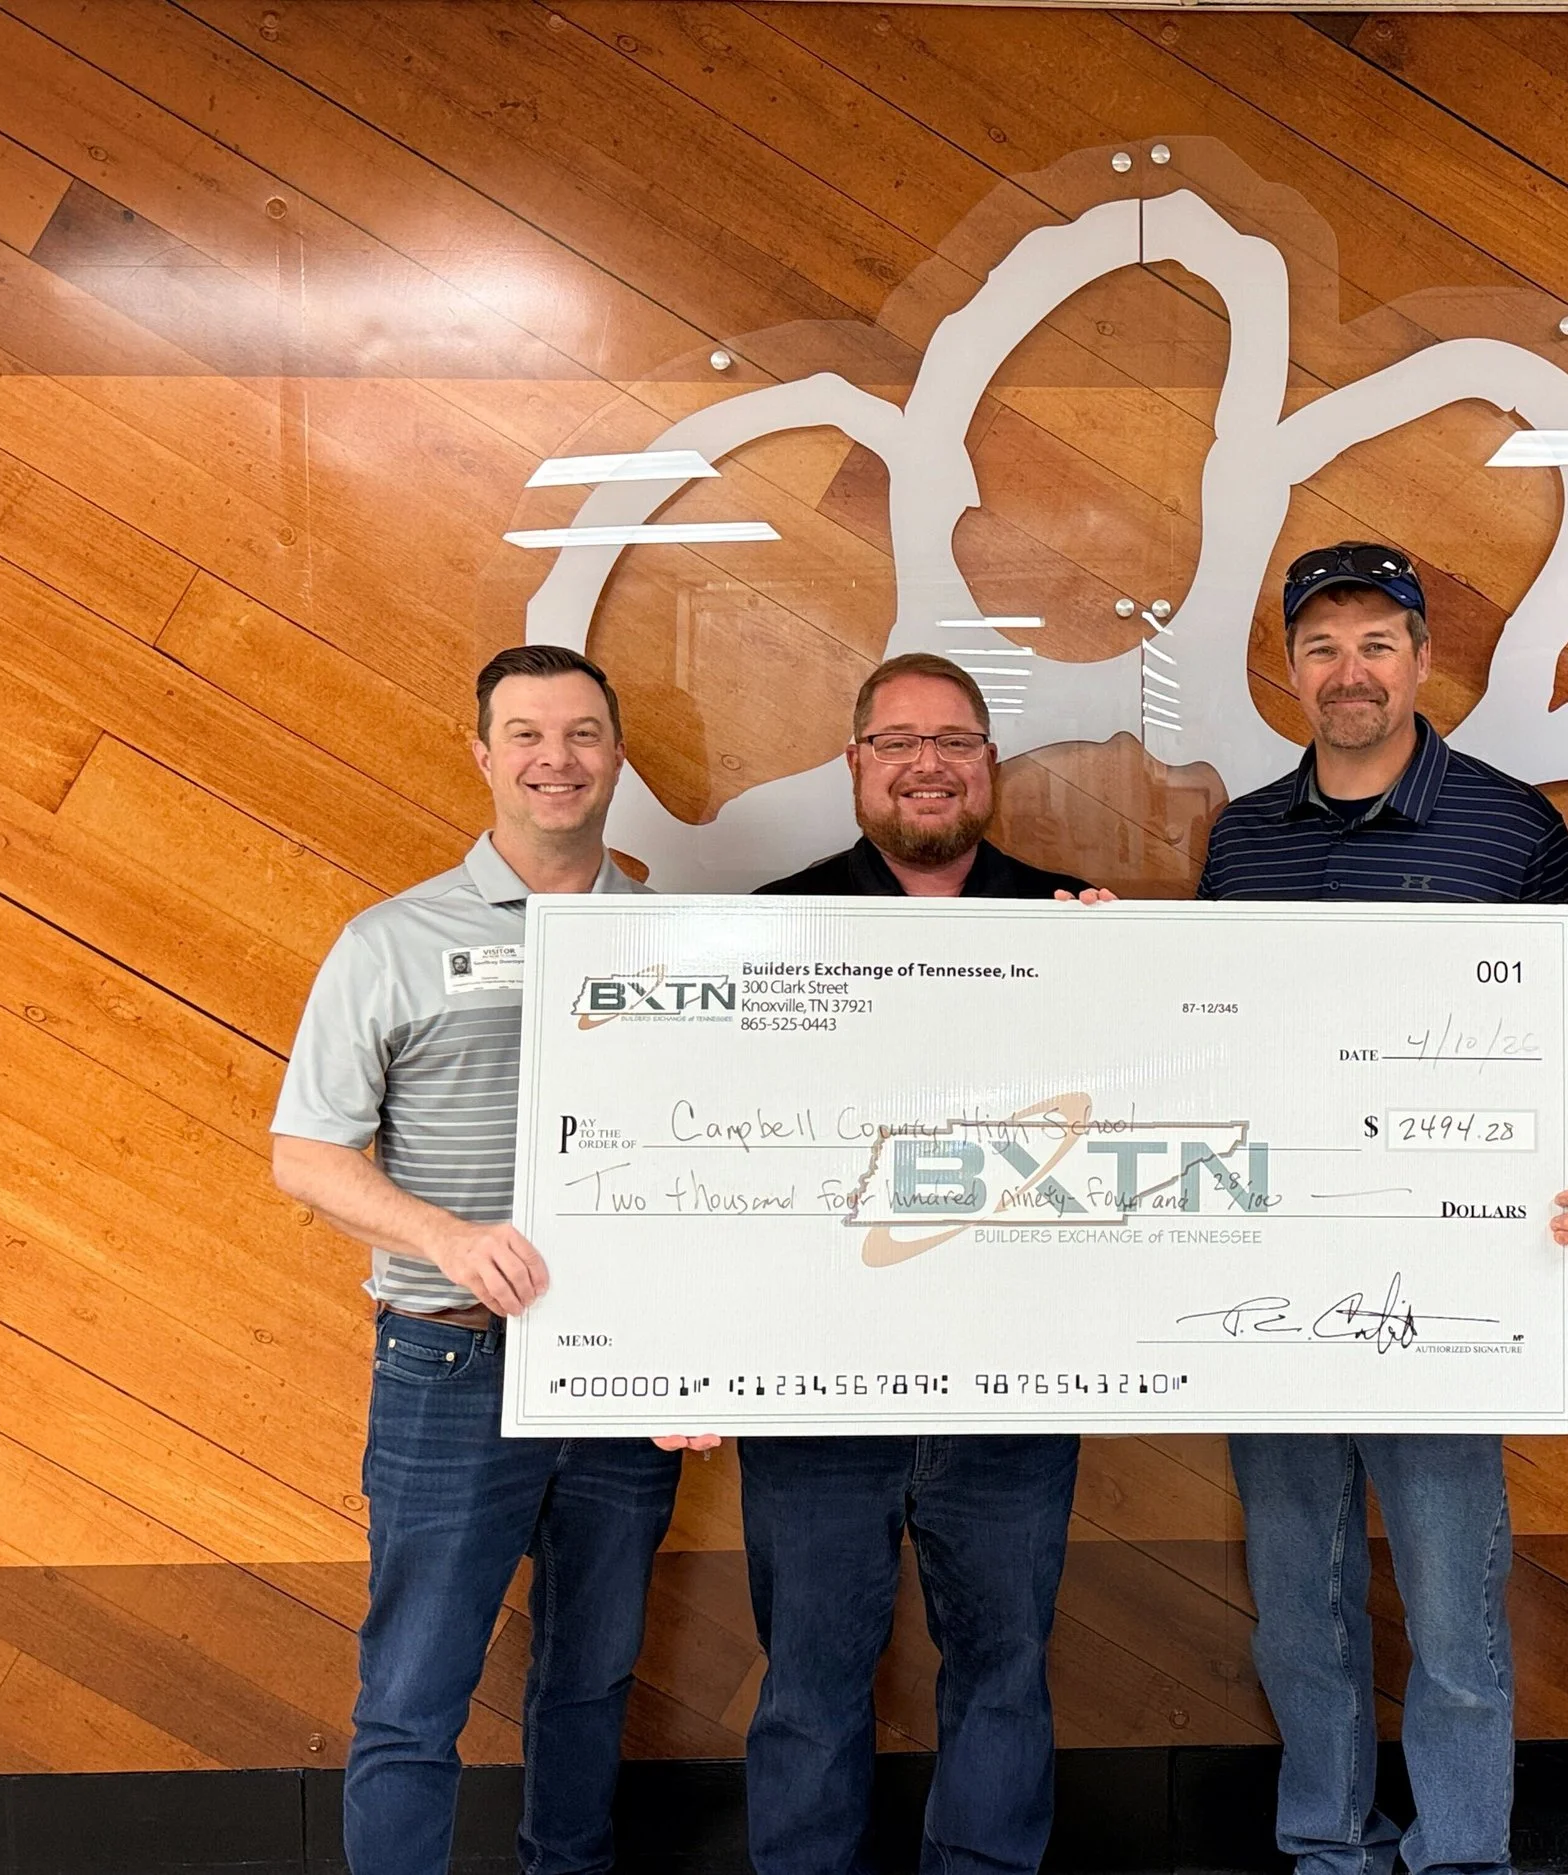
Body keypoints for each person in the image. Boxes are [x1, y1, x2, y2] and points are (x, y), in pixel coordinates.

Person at [1197, 543, 1568, 1875]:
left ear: (1424, 660)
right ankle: (1327, 1841)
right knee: (1297, 1613)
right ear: (1290, 671)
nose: (1349, 669)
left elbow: (1565, 1049)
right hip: (1268, 1288)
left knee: (1455, 1606)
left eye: (1376, 641)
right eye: (1321, 647)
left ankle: (1462, 1852)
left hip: (1451, 1292)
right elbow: (1208, 1042)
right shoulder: (1244, 836)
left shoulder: (1512, 827)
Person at [270, 645, 682, 1875]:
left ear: (616, 755)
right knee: (414, 1694)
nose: (556, 760)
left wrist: (696, 1351)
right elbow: (304, 1152)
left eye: (582, 735)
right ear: (483, 755)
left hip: (622, 1380)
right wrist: (449, 1238)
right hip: (449, 1364)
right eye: (527, 736)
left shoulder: (679, 941)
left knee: (591, 1679)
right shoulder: (390, 941)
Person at [729, 651, 1089, 1875]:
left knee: (1002, 1676)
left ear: (987, 767)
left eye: (953, 742)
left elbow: (1140, 1131)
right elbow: (717, 1162)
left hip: (1015, 1381)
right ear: (855, 768)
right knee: (807, 1683)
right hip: (816, 1386)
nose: (926, 764)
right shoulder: (773, 929)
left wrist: (1130, 987)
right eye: (897, 743)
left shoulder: (1074, 922)